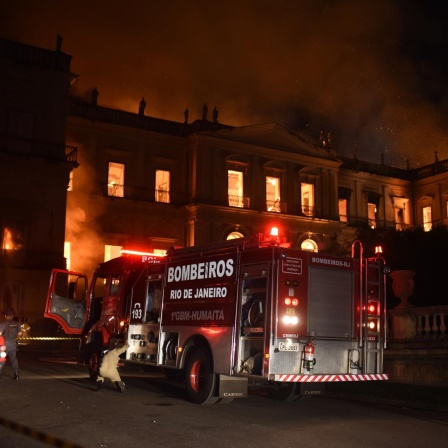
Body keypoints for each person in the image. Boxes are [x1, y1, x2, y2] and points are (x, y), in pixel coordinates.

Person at [0, 309, 23, 380]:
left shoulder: (3, 324)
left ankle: (0, 376)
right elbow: (20, 334)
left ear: (5, 316)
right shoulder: (17, 324)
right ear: (12, 316)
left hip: (4, 345)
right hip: (13, 344)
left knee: (1, 359)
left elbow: (0, 334)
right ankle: (16, 375)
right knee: (14, 359)